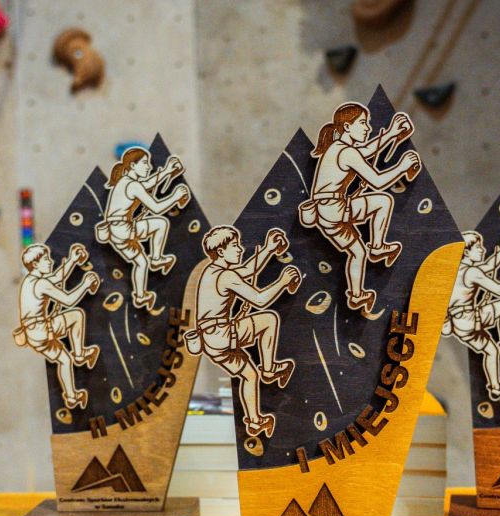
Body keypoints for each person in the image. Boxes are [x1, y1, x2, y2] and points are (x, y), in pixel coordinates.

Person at [299, 102, 420, 313]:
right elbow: (378, 182)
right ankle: (378, 246)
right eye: (363, 123)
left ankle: (356, 296)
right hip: (336, 209)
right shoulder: (346, 153)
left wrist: (391, 133)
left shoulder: (339, 148)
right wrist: (402, 166)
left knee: (358, 252)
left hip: (326, 215)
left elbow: (365, 150)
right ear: (347, 126)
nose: (368, 128)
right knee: (383, 201)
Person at [190, 225, 300, 438]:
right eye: (235, 246)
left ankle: (255, 422)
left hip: (211, 343)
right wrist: (283, 282)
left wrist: (268, 249)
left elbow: (249, 270)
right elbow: (260, 300)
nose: (240, 249)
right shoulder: (225, 276)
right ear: (221, 251)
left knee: (250, 375)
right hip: (222, 334)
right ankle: (269, 369)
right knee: (268, 319)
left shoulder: (213, 271)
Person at [445, 231, 500, 401]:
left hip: (459, 325)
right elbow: (499, 290)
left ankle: (496, 388)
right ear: (466, 252)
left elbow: (488, 266)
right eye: (478, 247)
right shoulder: (471, 272)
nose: (483, 249)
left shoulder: (458, 269)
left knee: (491, 350)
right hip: (470, 319)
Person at [99, 148, 190, 310]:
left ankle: (140, 296)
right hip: (124, 229)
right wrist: (175, 197)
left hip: (116, 233)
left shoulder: (126, 182)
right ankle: (156, 258)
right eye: (145, 163)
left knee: (141, 262)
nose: (149, 166)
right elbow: (156, 208)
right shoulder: (132, 185)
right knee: (160, 224)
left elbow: (147, 184)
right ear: (133, 165)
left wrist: (167, 171)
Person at [14, 243, 100, 410]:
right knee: (76, 315)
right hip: (42, 330)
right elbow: (68, 300)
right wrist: (85, 284)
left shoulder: (30, 281)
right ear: (35, 264)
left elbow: (57, 278)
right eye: (46, 259)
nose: (51, 261)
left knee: (65, 360)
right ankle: (80, 354)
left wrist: (72, 260)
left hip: (33, 336)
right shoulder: (40, 284)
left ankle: (72, 397)